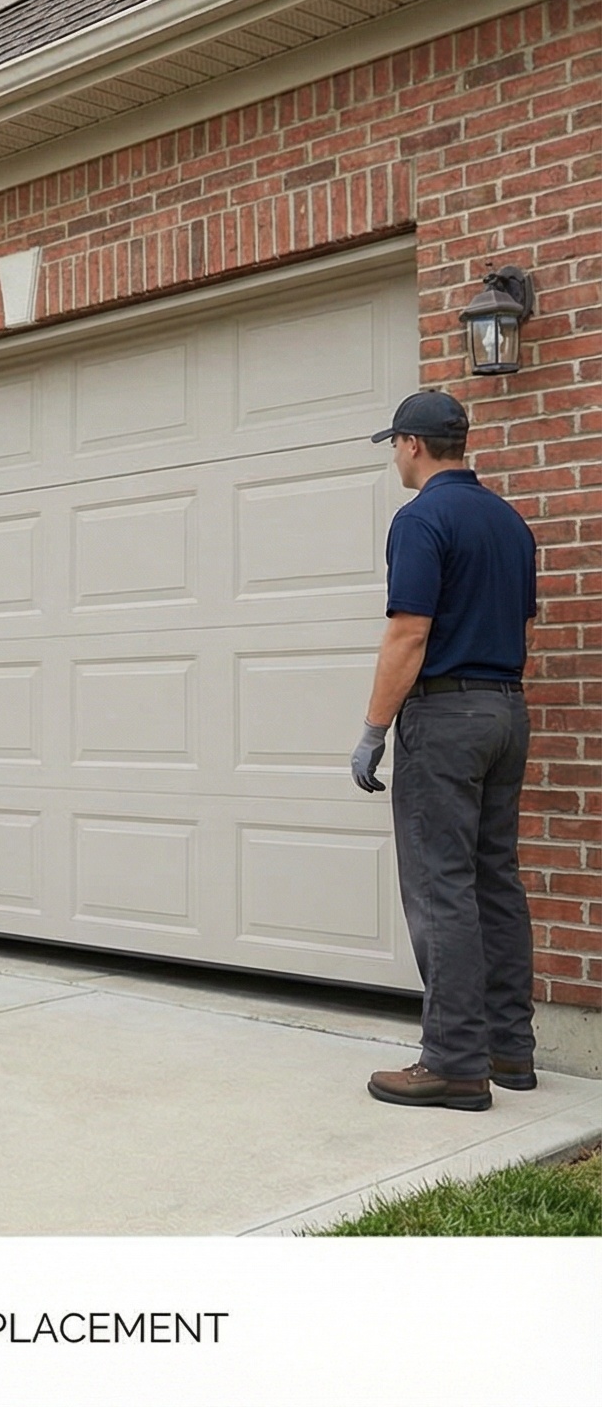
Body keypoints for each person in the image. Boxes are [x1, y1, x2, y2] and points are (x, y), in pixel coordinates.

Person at [351, 390, 539, 1111]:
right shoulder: (509, 523)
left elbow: (409, 632)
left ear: (412, 445)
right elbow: (518, 624)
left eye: (395, 446)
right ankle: (508, 1050)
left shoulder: (422, 517)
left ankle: (455, 1061)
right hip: (506, 712)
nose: (396, 457)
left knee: (441, 887)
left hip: (446, 717)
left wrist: (373, 731)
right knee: (496, 879)